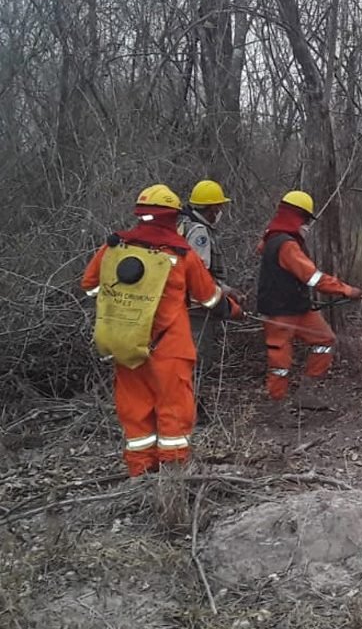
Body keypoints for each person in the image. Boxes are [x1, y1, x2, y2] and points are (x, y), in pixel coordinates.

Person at [82, 184, 242, 478]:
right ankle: (174, 475)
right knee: (174, 411)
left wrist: (125, 302)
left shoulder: (114, 247)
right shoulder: (181, 254)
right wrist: (232, 310)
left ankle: (140, 474)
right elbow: (207, 297)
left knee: (135, 411)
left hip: (126, 342)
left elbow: (90, 286)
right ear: (173, 217)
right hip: (170, 346)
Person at [255, 190, 361, 408]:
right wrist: (347, 290)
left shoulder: (274, 238)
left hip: (299, 309)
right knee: (280, 362)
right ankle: (277, 407)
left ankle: (307, 392)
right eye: (305, 220)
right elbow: (313, 277)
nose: (307, 226)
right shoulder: (286, 245)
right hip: (279, 313)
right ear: (296, 217)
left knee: (325, 340)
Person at [178, 179, 235, 419]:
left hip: (181, 304)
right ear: (211, 209)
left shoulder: (183, 225)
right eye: (219, 208)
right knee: (198, 359)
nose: (220, 212)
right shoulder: (199, 232)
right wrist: (224, 296)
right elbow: (198, 274)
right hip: (197, 308)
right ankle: (190, 409)